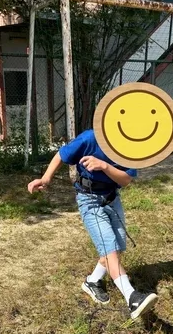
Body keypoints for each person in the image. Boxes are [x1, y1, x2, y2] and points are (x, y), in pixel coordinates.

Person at [27, 129, 158, 320]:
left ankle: (92, 281)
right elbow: (62, 154)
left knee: (117, 246)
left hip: (112, 199)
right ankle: (133, 298)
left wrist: (104, 166)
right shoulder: (90, 138)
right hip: (89, 201)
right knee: (110, 250)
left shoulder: (130, 146)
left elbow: (126, 180)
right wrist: (46, 178)